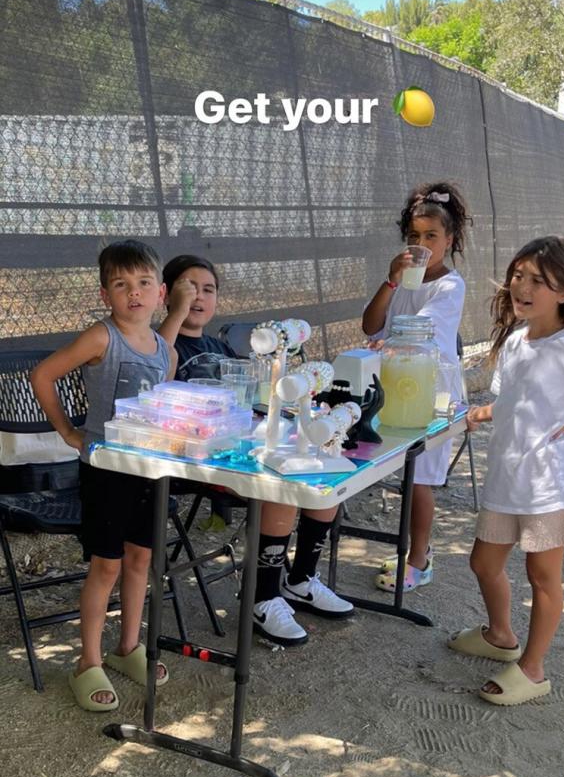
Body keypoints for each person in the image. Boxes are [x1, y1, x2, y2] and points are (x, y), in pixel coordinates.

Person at [448, 236, 564, 706]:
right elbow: (519, 400)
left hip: (552, 484)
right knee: (483, 563)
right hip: (508, 477)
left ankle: (532, 669)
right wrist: (484, 413)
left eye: (538, 280)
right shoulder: (516, 340)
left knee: (542, 577)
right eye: (518, 276)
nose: (522, 287)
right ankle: (499, 635)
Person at [159, 254, 354, 647]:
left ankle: (300, 580)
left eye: (208, 289)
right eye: (188, 287)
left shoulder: (219, 345)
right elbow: (155, 375)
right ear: (167, 294)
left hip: (239, 443)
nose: (199, 296)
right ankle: (263, 597)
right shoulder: (162, 341)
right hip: (194, 454)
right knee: (279, 484)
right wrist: (175, 316)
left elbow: (253, 400)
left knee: (324, 468)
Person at [31, 240, 177, 711]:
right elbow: (43, 375)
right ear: (105, 294)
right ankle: (87, 661)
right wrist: (69, 432)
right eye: (121, 285)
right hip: (106, 472)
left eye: (143, 283)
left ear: (161, 293)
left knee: (140, 560)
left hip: (149, 469)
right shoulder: (101, 337)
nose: (133, 292)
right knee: (106, 565)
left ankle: (127, 646)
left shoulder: (165, 351)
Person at [362, 182, 472, 591]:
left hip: (432, 390)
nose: (420, 244)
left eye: (431, 236)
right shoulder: (405, 281)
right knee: (395, 466)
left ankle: (419, 559)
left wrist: (387, 342)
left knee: (420, 477)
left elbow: (417, 331)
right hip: (395, 381)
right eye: (413, 237)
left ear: (450, 239)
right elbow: (371, 325)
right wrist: (390, 282)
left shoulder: (449, 286)